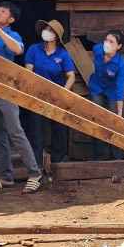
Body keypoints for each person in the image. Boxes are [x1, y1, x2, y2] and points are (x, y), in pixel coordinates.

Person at [0, 0, 43, 193]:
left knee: (15, 132)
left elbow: (17, 50)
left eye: (3, 11)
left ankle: (35, 174)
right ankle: (6, 177)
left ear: (11, 19)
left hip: (6, 89)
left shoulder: (12, 35)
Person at [24, 19, 75, 173]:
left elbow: (71, 76)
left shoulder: (63, 54)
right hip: (37, 96)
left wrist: (63, 93)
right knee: (36, 129)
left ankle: (58, 161)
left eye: (51, 31)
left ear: (56, 37)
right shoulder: (34, 49)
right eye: (46, 29)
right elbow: (28, 71)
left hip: (56, 97)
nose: (47, 32)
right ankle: (37, 164)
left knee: (58, 129)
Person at [87, 30, 124, 160]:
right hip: (96, 88)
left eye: (111, 42)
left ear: (119, 46)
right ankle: (99, 156)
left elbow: (120, 87)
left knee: (114, 123)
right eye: (106, 40)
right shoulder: (97, 49)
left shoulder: (120, 63)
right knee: (97, 120)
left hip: (112, 93)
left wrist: (119, 113)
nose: (107, 43)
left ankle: (117, 156)